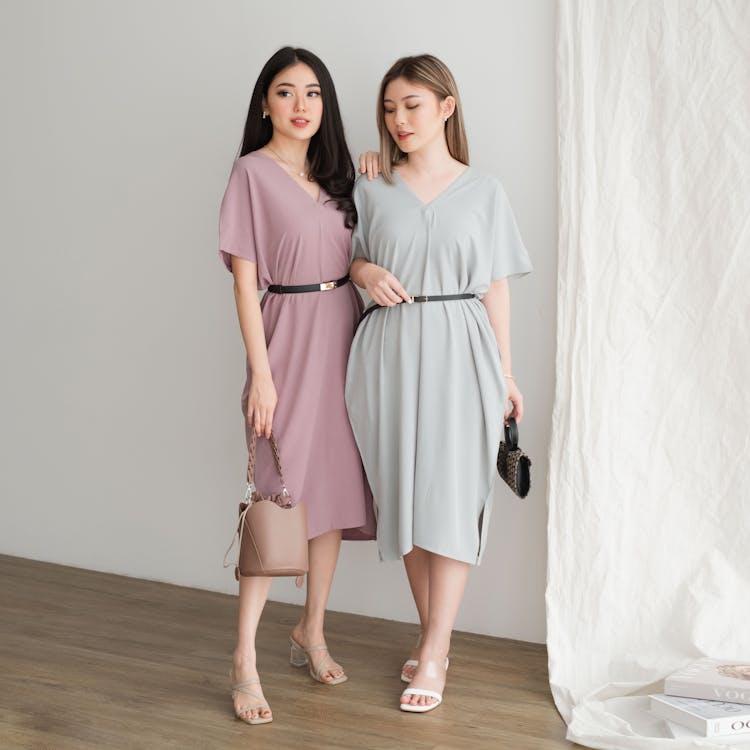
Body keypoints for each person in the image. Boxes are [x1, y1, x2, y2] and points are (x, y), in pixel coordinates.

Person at [345, 54, 532, 713]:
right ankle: (435, 640)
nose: (399, 120)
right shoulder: (369, 185)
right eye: (390, 108)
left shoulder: (485, 191)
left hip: (464, 351)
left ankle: (433, 653)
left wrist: (507, 372)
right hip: (387, 354)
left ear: (446, 107)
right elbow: (347, 258)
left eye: (413, 106)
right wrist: (365, 272)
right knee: (406, 506)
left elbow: (497, 285)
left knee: (451, 502)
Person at [218, 46, 374, 725]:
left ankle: (310, 628)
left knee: (331, 498)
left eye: (312, 93)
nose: (301, 105)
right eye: (286, 92)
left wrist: (375, 168)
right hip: (285, 341)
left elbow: (371, 244)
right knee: (279, 498)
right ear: (265, 104)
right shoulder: (251, 173)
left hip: (347, 338)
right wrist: (261, 373)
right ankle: (244, 661)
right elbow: (244, 282)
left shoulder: (342, 177)